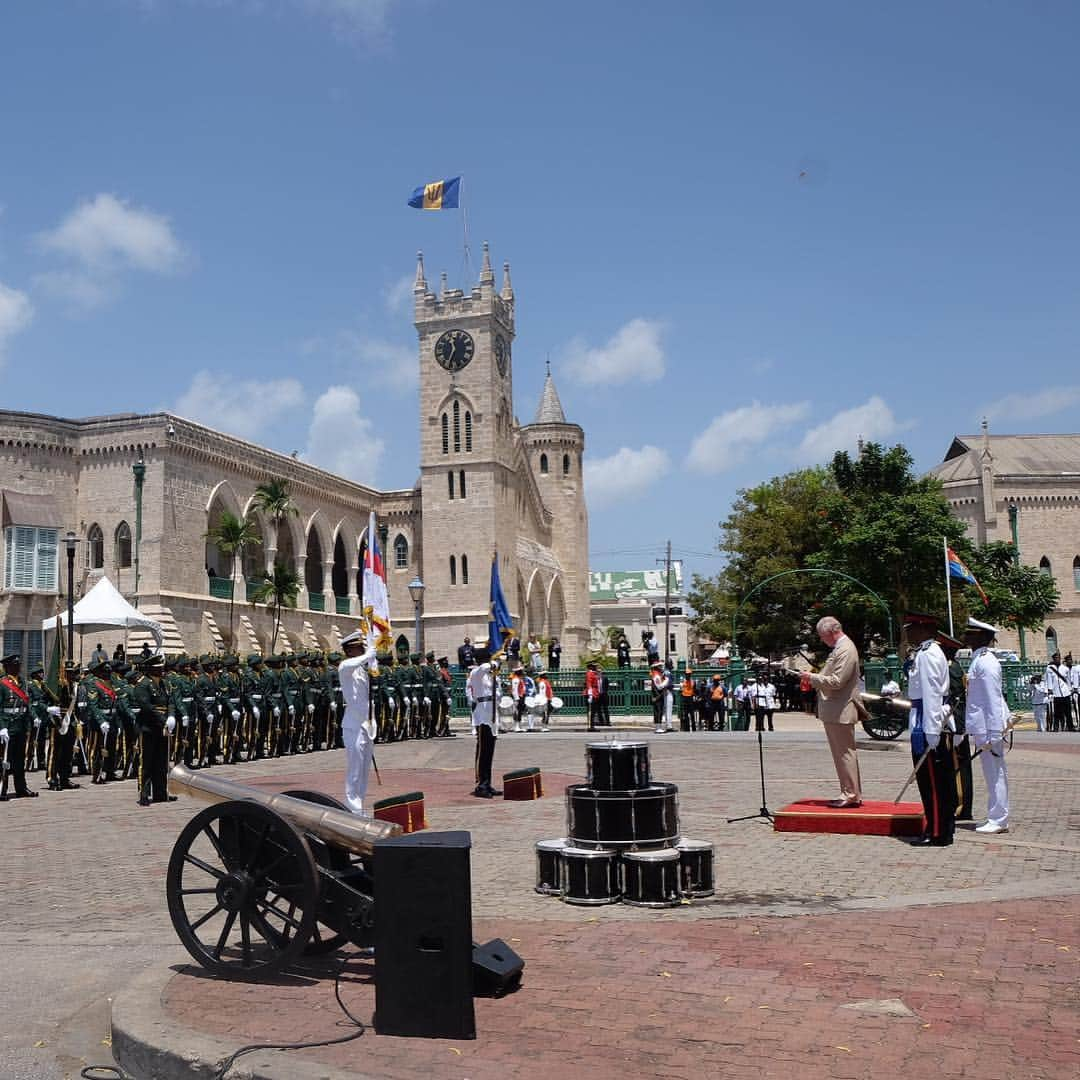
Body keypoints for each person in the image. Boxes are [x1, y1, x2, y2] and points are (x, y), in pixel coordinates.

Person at [904, 612, 955, 846]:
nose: (908, 632)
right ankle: (937, 827)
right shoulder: (926, 653)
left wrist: (932, 732)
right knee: (932, 781)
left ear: (924, 630)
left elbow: (932, 694)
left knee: (933, 783)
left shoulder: (927, 655)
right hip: (924, 718)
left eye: (911, 628)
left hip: (928, 722)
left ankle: (938, 832)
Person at [806, 615, 862, 808]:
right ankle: (848, 791)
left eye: (822, 636)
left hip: (841, 709)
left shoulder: (846, 649)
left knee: (844, 753)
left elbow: (837, 681)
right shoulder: (840, 648)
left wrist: (812, 677)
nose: (822, 640)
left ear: (831, 632)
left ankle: (851, 793)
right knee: (841, 754)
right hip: (835, 709)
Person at [963, 617, 1012, 834]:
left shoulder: (986, 661)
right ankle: (996, 815)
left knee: (995, 772)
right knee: (991, 772)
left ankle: (999, 818)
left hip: (988, 727)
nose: (965, 636)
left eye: (970, 633)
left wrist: (994, 731)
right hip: (982, 726)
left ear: (982, 637)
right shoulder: (978, 659)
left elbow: (993, 699)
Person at [338, 629, 379, 815]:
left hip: (367, 725)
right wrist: (368, 655)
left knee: (363, 770)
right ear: (349, 650)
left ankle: (360, 805)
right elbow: (352, 664)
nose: (363, 650)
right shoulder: (345, 667)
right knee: (354, 769)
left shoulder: (362, 671)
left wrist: (371, 658)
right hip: (353, 725)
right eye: (359, 648)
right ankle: (353, 808)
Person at [130, 653, 176, 806]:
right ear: (150, 669)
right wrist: (164, 720)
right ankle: (144, 793)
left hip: (162, 728)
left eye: (161, 668)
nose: (161, 670)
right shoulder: (142, 685)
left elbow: (171, 702)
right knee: (146, 761)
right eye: (157, 668)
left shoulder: (165, 684)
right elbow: (147, 707)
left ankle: (160, 792)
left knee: (162, 761)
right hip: (148, 727)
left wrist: (171, 717)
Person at [937, 632, 973, 822]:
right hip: (958, 723)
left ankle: (960, 806)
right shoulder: (955, 667)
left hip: (956, 723)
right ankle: (962, 805)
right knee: (960, 765)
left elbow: (956, 701)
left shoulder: (951, 669)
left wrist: (959, 728)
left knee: (958, 767)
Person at [0, 653, 39, 798]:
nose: (18, 667)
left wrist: (34, 717)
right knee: (4, 759)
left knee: (19, 759)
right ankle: (2, 788)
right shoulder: (2, 683)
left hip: (21, 725)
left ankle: (21, 787)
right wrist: (2, 727)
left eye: (19, 664)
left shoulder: (23, 683)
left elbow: (27, 703)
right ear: (7, 667)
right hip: (8, 726)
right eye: (15, 665)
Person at [467, 647, 501, 797]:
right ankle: (481, 784)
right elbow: (485, 667)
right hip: (482, 713)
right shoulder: (476, 673)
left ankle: (488, 783)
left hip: (492, 712)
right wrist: (495, 662)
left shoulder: (491, 675)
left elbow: (498, 691)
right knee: (483, 750)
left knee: (490, 751)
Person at [1045, 651, 1072, 732]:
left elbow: (1068, 680)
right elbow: (1049, 680)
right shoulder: (1050, 669)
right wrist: (1050, 690)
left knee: (1068, 712)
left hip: (1066, 693)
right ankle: (1056, 727)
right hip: (1056, 694)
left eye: (1058, 658)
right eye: (1055, 658)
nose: (1057, 659)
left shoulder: (1065, 668)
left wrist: (1070, 690)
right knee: (1057, 712)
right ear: (1053, 659)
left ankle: (1070, 726)